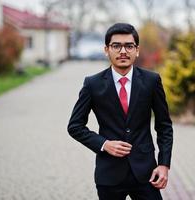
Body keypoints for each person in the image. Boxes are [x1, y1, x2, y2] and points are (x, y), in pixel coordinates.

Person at [67, 23, 173, 200]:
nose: (123, 51)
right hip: (109, 173)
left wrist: (164, 164)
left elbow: (164, 126)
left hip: (146, 173)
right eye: (116, 46)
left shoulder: (151, 81)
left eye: (129, 46)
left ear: (137, 50)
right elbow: (75, 126)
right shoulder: (92, 84)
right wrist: (104, 144)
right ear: (106, 50)